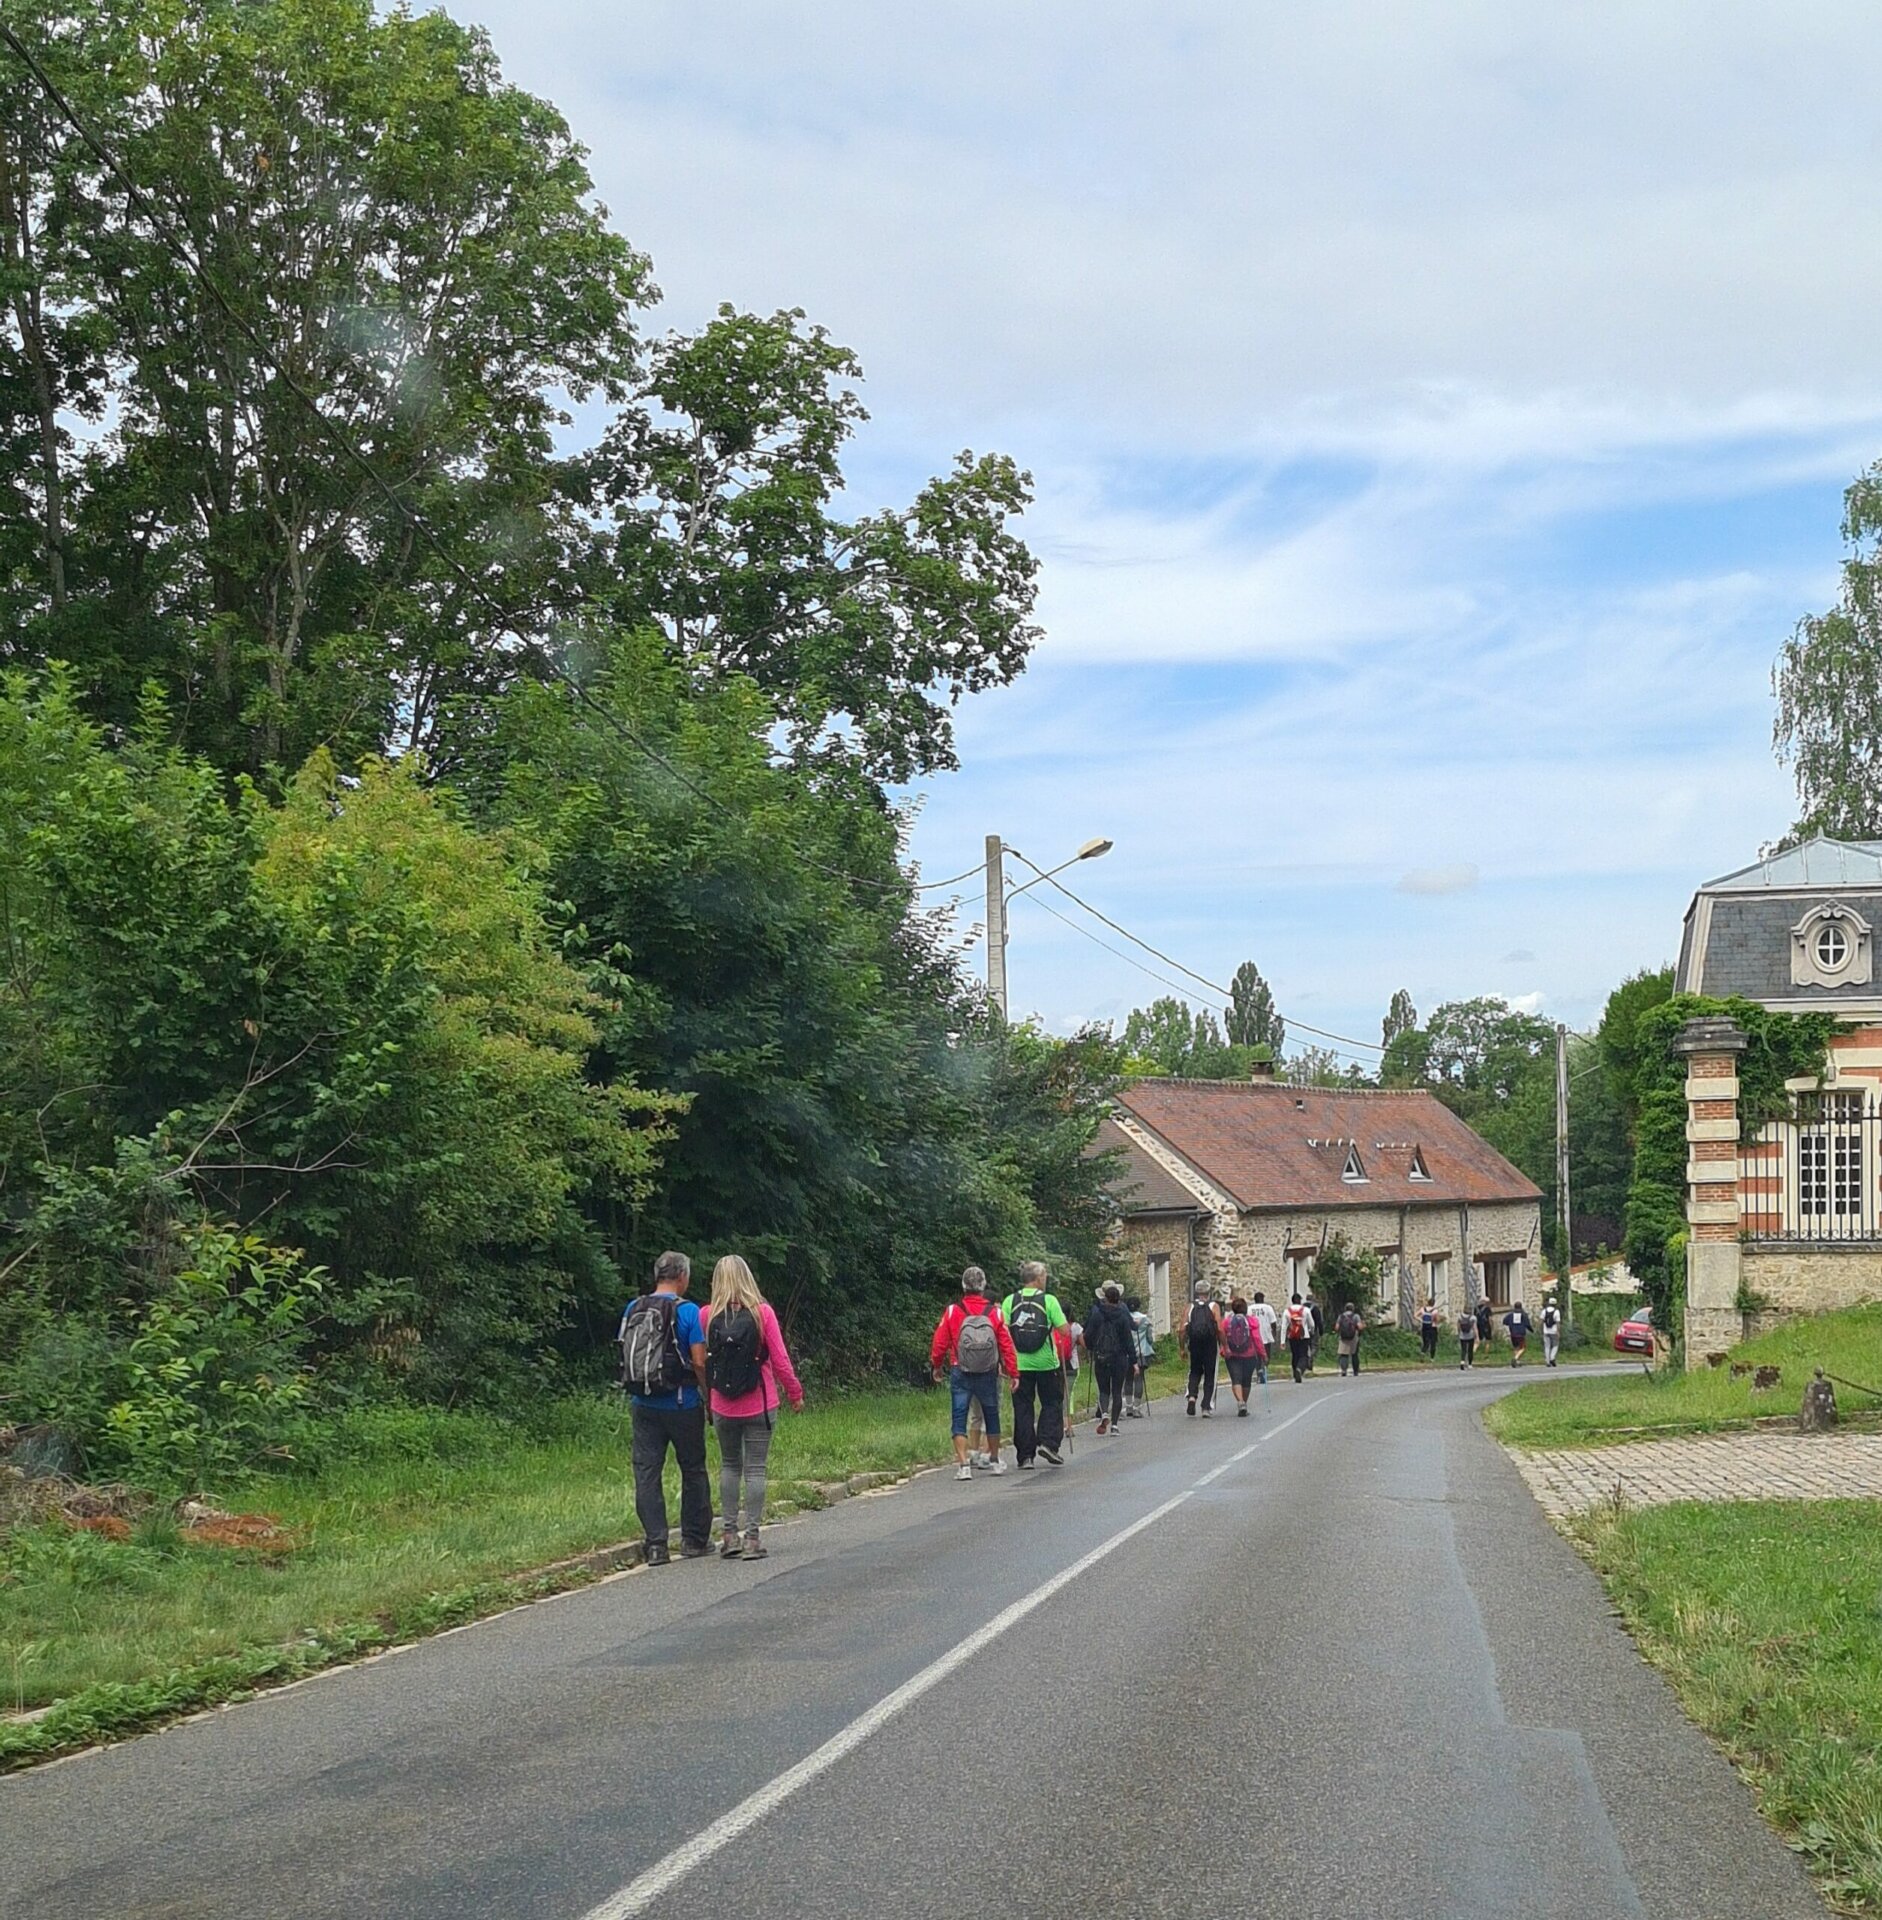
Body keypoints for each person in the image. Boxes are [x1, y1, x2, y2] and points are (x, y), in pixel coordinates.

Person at [701, 1254, 804, 1560]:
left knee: (730, 1466)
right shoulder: (763, 1314)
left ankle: (729, 1535)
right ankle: (752, 1539)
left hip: (722, 1406)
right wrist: (795, 1393)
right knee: (755, 1470)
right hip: (759, 1403)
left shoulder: (707, 1315)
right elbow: (781, 1361)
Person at [619, 1250, 711, 1565]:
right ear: (682, 1277)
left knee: (647, 1472)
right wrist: (707, 1393)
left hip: (642, 1403)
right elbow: (699, 1360)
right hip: (682, 1403)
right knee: (693, 1469)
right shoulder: (688, 1312)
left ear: (658, 1275)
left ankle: (656, 1545)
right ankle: (694, 1540)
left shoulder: (634, 1307)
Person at [931, 1267, 1020, 1479]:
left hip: (960, 1369)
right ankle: (995, 1461)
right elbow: (1006, 1344)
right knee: (991, 1414)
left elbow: (940, 1341)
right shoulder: (995, 1312)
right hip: (988, 1371)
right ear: (983, 1287)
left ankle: (964, 1466)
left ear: (963, 1286)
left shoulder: (953, 1311)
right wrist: (1013, 1372)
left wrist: (936, 1365)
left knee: (960, 1415)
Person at [1003, 1261, 1071, 1468]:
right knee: (1052, 1402)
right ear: (1038, 1278)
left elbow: (1003, 1331)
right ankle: (1048, 1443)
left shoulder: (1010, 1301)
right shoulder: (1049, 1300)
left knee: (1023, 1408)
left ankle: (1025, 1456)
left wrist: (1006, 1361)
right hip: (1046, 1364)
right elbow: (1064, 1330)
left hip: (1019, 1364)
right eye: (1045, 1276)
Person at [1083, 1283, 1136, 1435]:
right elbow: (1128, 1340)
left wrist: (1091, 1348)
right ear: (1119, 1299)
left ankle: (1104, 1412)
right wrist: (1134, 1361)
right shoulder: (1123, 1315)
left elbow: (1088, 1334)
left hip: (1101, 1356)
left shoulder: (1097, 1313)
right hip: (1119, 1358)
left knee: (1104, 1389)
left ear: (1105, 1298)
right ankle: (1114, 1426)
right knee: (1117, 1391)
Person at [1219, 1295, 1266, 1415]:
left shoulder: (1226, 1322)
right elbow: (1256, 1338)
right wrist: (1263, 1354)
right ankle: (1243, 1403)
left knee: (1236, 1379)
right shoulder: (1252, 1321)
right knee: (1246, 1381)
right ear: (1245, 1308)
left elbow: (1221, 1335)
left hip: (1232, 1355)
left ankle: (1240, 1402)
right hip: (1249, 1355)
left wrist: (1224, 1349)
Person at [1181, 1289, 1221, 1416]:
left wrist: (1182, 1348)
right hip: (1210, 1344)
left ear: (1197, 1293)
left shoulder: (1190, 1306)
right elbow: (1219, 1328)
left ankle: (1192, 1397)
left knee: (1195, 1371)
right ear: (1208, 1293)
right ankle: (1205, 1407)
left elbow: (1182, 1329)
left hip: (1195, 1343)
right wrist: (1224, 1344)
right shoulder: (1214, 1306)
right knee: (1210, 1373)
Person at [1125, 1297, 1156, 1417]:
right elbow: (1149, 1338)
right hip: (1142, 1353)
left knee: (1128, 1379)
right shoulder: (1145, 1320)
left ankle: (1128, 1407)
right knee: (1139, 1379)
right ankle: (1137, 1408)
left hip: (1128, 1353)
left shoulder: (1125, 1318)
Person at [1283, 1292, 1315, 1384]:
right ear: (1300, 1301)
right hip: (1304, 1335)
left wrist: (1283, 1338)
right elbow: (1312, 1324)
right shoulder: (1305, 1310)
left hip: (1292, 1336)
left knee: (1295, 1354)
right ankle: (1299, 1369)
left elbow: (1284, 1326)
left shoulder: (1287, 1311)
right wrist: (1311, 1331)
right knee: (1303, 1355)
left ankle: (1295, 1372)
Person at [1335, 1302, 1365, 1378]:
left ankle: (1344, 1370)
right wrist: (1362, 1326)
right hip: (1353, 1337)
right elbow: (1360, 1327)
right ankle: (1355, 1371)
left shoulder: (1341, 1316)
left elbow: (1336, 1327)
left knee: (1344, 1354)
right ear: (1353, 1309)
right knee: (1354, 1354)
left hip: (1343, 1337)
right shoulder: (1356, 1316)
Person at [1250, 1290, 1279, 1366]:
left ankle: (1258, 1367)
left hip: (1254, 1336)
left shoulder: (1250, 1308)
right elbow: (1273, 1322)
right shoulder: (1268, 1308)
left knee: (1255, 1355)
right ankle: (1264, 1368)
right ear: (1263, 1299)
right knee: (1266, 1354)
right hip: (1266, 1335)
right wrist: (1274, 1333)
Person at [1503, 1300, 1533, 1366]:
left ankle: (1516, 1361)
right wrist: (1531, 1330)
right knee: (1523, 1348)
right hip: (1521, 1333)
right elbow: (1527, 1324)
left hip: (1513, 1333)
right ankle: (1515, 1358)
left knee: (1516, 1347)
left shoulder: (1511, 1314)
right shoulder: (1523, 1315)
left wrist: (1511, 1324)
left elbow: (1504, 1321)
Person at [1541, 1297, 1562, 1368]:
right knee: (1555, 1345)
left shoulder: (1544, 1311)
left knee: (1547, 1346)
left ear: (1549, 1303)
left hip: (1546, 1331)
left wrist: (1541, 1329)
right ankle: (1552, 1358)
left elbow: (1541, 1321)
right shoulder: (1556, 1311)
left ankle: (1547, 1361)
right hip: (1554, 1331)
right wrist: (1558, 1331)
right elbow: (1558, 1322)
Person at [1418, 1297, 1442, 1361]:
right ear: (1433, 1304)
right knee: (1433, 1342)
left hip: (1424, 1327)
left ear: (1428, 1303)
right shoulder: (1435, 1311)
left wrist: (1421, 1320)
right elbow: (1437, 1320)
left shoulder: (1423, 1309)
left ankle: (1423, 1352)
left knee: (1425, 1342)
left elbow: (1415, 1315)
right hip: (1432, 1328)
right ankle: (1432, 1358)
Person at [1456, 1305, 1478, 1370]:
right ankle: (1470, 1364)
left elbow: (1458, 1326)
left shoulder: (1459, 1316)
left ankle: (1462, 1362)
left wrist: (1459, 1333)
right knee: (1470, 1350)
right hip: (1470, 1335)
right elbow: (1475, 1328)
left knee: (1463, 1350)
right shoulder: (1473, 1318)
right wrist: (1477, 1336)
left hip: (1462, 1336)